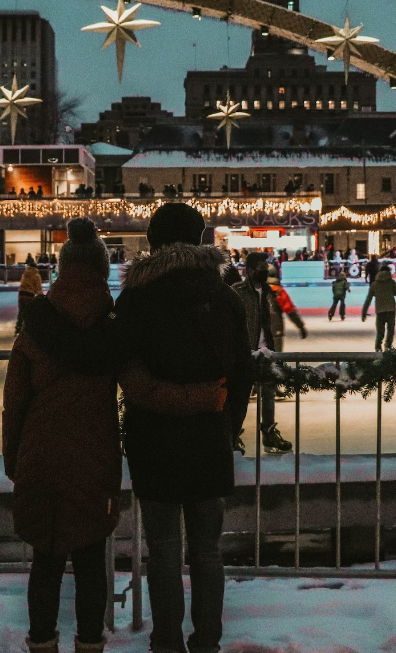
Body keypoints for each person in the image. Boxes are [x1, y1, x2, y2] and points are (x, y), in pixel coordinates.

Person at [4, 218, 226, 653]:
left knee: (46, 560)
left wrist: (16, 461)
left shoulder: (33, 328)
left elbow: (16, 404)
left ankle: (43, 643)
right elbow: (145, 390)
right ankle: (90, 643)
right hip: (93, 458)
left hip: (40, 457)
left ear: (62, 270)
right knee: (89, 560)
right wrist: (204, 396)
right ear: (104, 271)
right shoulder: (111, 330)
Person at [114, 203, 252, 653]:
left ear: (154, 241)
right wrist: (226, 426)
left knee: (165, 549)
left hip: (154, 438)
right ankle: (207, 640)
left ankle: (166, 639)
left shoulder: (136, 298)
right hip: (209, 435)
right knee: (207, 551)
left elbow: (123, 365)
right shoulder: (225, 297)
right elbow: (242, 372)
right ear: (199, 240)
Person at [232, 252, 302, 454]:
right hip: (245, 353)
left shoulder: (272, 292)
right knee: (240, 397)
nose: (265, 269)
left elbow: (287, 310)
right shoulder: (237, 292)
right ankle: (233, 436)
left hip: (267, 352)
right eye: (260, 266)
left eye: (266, 265)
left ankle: (269, 435)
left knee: (269, 395)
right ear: (250, 270)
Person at [362, 264, 396, 352]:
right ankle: (388, 346)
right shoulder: (392, 283)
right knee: (390, 331)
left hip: (380, 310)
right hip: (391, 310)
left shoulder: (375, 284)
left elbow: (368, 299)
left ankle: (378, 347)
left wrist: (364, 312)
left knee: (380, 331)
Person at [15, 263, 42, 336]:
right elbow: (38, 288)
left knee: (21, 311)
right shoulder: (36, 275)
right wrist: (41, 296)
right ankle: (29, 329)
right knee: (29, 312)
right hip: (29, 295)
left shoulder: (25, 274)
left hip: (21, 294)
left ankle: (18, 327)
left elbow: (22, 284)